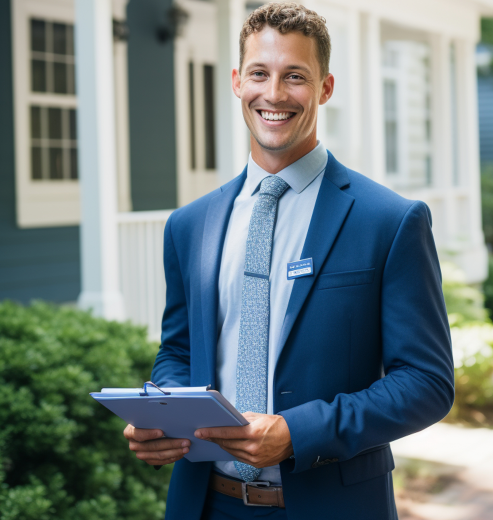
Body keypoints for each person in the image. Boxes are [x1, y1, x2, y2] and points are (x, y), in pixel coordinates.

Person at [123, 3, 454, 519]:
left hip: (334, 506)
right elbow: (180, 351)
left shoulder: (389, 220)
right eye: (260, 73)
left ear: (325, 88)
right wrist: (162, 411)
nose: (274, 94)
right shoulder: (188, 226)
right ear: (237, 81)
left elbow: (427, 383)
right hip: (206, 505)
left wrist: (300, 433)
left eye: (294, 76)